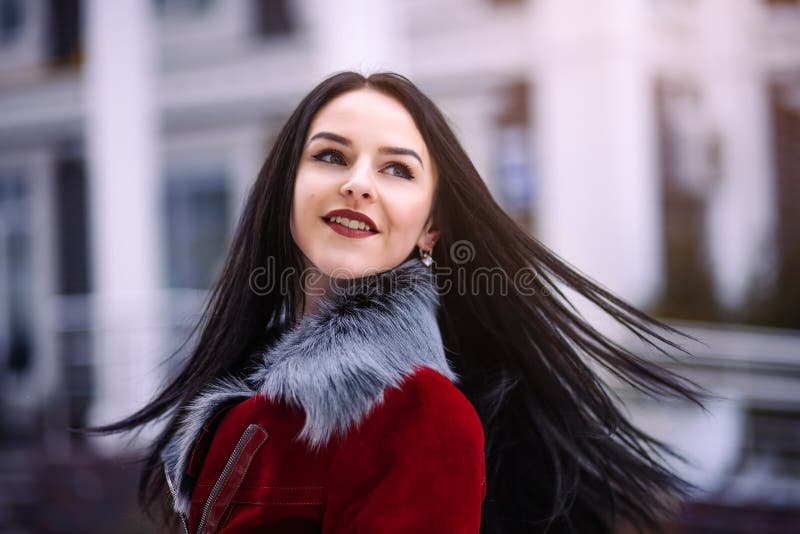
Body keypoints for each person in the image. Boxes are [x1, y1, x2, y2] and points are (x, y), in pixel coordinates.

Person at [88, 71, 706, 533]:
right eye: (331, 156)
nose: (358, 182)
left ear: (430, 229)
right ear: (285, 190)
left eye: (398, 170)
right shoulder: (246, 402)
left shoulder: (421, 413)